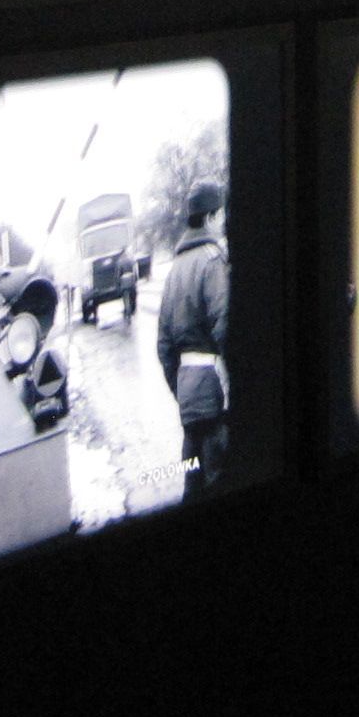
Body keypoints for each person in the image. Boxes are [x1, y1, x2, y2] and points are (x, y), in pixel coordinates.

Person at [156, 179, 230, 495]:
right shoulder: (213, 261)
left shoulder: (174, 270)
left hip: (189, 396)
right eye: (222, 214)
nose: (224, 221)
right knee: (219, 483)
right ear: (211, 218)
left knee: (193, 481)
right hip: (215, 395)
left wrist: (181, 388)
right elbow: (225, 325)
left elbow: (163, 345)